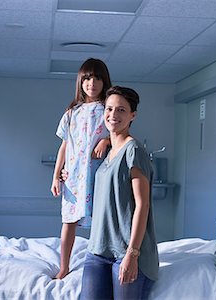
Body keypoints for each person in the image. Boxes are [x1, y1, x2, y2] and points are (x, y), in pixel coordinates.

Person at [80, 86, 159, 300]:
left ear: (133, 115)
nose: (113, 115)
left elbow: (142, 205)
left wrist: (132, 254)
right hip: (98, 250)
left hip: (127, 252)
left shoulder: (134, 151)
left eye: (121, 110)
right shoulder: (107, 151)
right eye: (109, 109)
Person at [51, 58, 112, 280]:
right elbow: (64, 146)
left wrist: (106, 142)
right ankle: (64, 266)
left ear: (104, 81)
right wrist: (56, 176)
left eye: (97, 78)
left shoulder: (108, 109)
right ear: (80, 81)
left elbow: (118, 136)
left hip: (99, 176)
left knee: (102, 221)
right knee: (69, 222)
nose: (92, 83)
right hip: (74, 177)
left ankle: (102, 265)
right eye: (87, 78)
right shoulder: (72, 112)